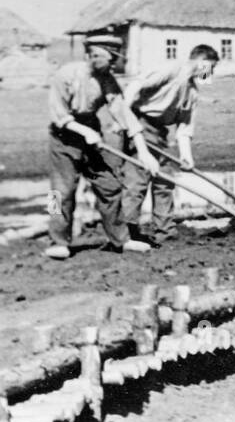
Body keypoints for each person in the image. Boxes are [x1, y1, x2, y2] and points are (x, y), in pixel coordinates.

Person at [45, 35, 157, 259]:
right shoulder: (65, 75)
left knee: (109, 186)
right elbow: (59, 114)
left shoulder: (107, 79)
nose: (114, 64)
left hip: (92, 136)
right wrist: (84, 132)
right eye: (111, 58)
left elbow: (122, 112)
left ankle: (121, 239)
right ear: (94, 56)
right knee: (59, 193)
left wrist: (144, 152)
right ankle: (56, 240)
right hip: (63, 137)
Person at [120, 45, 218, 244]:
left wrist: (186, 156)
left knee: (165, 179)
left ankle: (164, 230)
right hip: (141, 121)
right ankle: (127, 230)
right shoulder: (172, 69)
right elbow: (135, 85)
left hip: (161, 131)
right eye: (210, 67)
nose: (211, 72)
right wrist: (125, 114)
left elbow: (184, 127)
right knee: (139, 177)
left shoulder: (192, 92)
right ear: (202, 62)